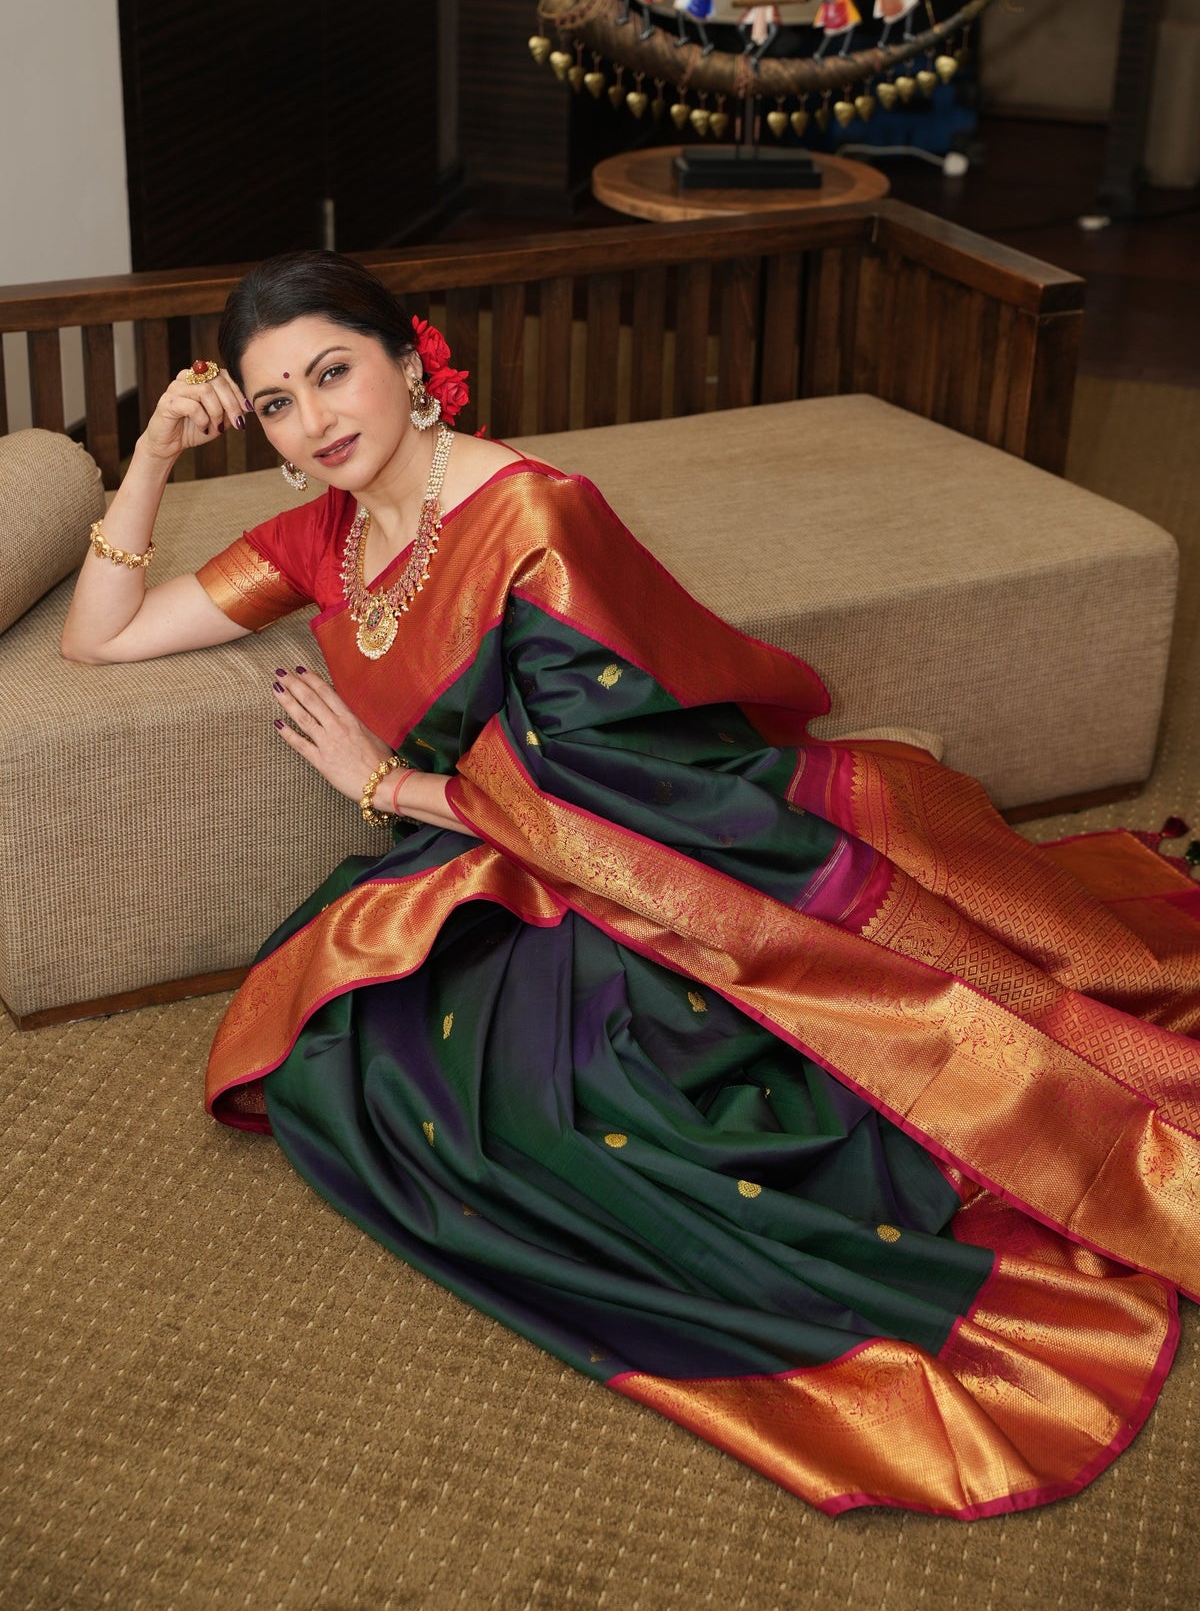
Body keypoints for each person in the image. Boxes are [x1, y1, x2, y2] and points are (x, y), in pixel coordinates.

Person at [62, 250, 1200, 1522]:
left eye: (334, 374)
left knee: (592, 1107)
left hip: (655, 841)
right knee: (356, 1053)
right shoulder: (321, 536)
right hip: (496, 849)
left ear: (408, 361)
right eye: (277, 403)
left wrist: (386, 784)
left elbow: (603, 782)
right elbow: (101, 635)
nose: (315, 420)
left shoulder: (532, 519)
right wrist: (152, 452)